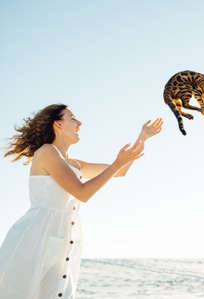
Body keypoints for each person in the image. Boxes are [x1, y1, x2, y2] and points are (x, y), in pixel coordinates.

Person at [0, 104, 163, 299]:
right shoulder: (47, 152)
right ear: (58, 124)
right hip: (38, 236)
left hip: (64, 237)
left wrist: (142, 138)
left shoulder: (75, 164)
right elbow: (82, 192)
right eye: (73, 118)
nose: (80, 123)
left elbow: (120, 171)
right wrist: (117, 163)